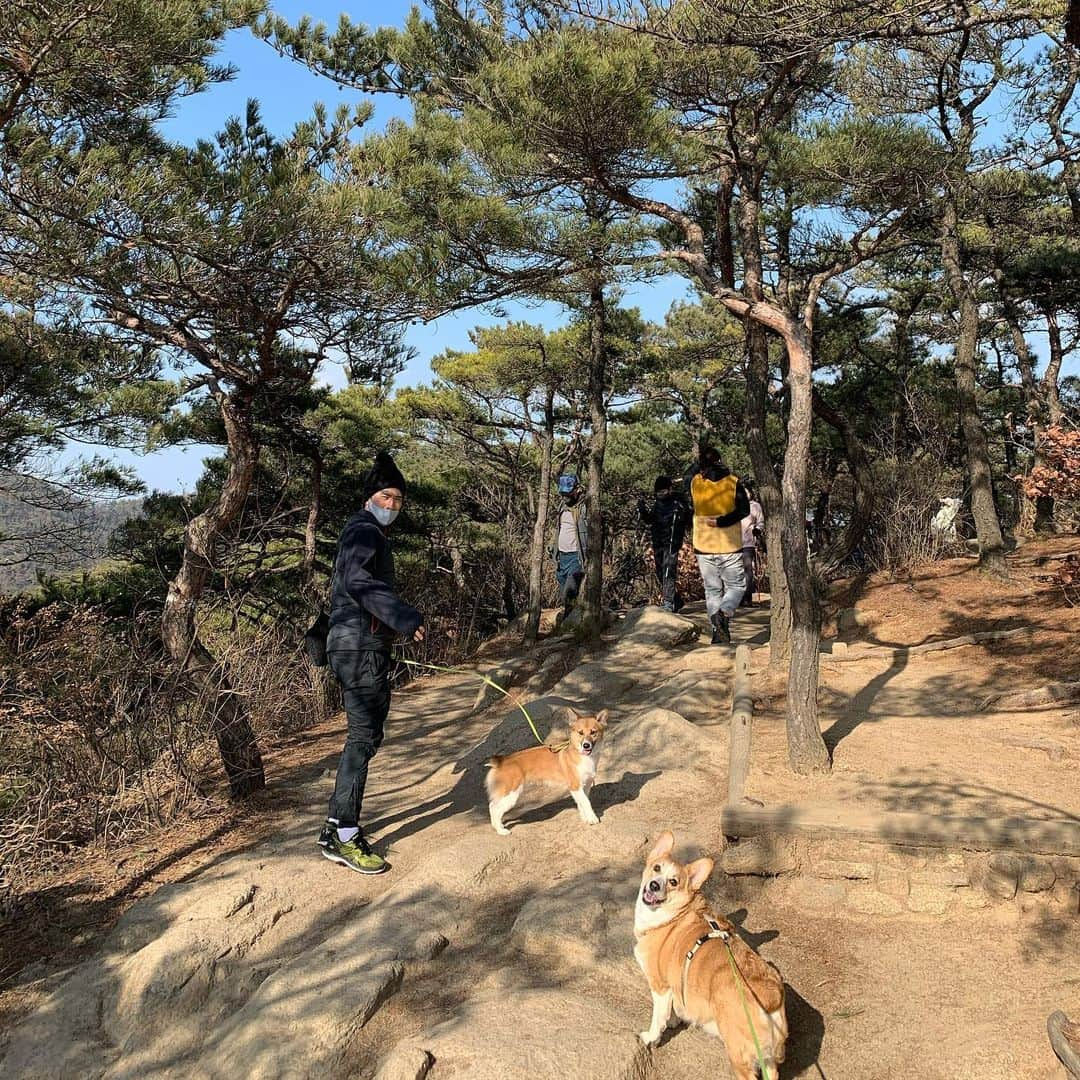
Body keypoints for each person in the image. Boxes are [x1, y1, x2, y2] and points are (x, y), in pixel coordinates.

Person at [318, 451, 425, 874]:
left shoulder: (361, 531)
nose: (392, 506)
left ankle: (336, 826)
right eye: (386, 496)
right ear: (369, 498)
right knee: (363, 738)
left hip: (360, 646)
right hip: (359, 649)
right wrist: (402, 616)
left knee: (367, 735)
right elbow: (357, 582)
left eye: (398, 499)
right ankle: (344, 834)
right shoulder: (364, 530)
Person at [684, 446, 751, 645]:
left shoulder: (695, 482)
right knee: (737, 586)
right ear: (720, 460)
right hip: (729, 543)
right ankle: (724, 611)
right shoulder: (733, 482)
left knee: (712, 590)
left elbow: (687, 473)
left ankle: (717, 632)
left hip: (703, 544)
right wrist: (722, 521)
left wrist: (699, 463)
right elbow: (744, 510)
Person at [638, 475, 691, 612]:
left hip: (672, 542)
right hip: (658, 542)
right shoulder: (657, 504)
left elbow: (688, 519)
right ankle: (676, 600)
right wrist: (642, 509)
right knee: (660, 572)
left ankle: (668, 603)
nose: (661, 494)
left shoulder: (678, 502)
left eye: (663, 491)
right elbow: (650, 520)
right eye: (658, 492)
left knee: (668, 570)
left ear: (670, 489)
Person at [552, 473, 587, 620]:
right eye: (562, 493)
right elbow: (559, 528)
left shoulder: (585, 507)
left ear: (577, 490)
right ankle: (570, 618)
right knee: (563, 594)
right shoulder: (562, 506)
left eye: (567, 492)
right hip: (561, 557)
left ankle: (570, 622)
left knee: (570, 591)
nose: (565, 496)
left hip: (576, 556)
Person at [740, 485, 765, 608]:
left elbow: (761, 521)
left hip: (748, 543)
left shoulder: (755, 506)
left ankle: (747, 598)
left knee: (748, 571)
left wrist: (758, 529)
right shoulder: (733, 506)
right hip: (732, 544)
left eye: (746, 491)